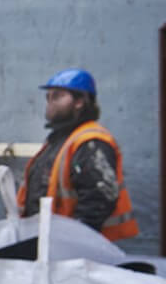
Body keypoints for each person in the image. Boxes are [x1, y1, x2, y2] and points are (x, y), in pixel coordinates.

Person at [16, 69, 138, 241]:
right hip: (50, 245)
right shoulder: (60, 141)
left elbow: (98, 200)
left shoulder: (90, 142)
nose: (50, 102)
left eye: (57, 96)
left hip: (76, 252)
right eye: (48, 97)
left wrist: (71, 241)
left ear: (79, 101)